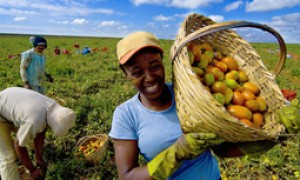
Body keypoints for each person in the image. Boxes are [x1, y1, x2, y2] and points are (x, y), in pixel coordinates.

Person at [108, 31, 300, 180]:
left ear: (163, 63)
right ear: (125, 74)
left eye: (155, 66)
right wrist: (175, 154)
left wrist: (269, 139)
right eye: (136, 71)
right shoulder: (126, 115)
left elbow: (220, 149)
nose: (149, 77)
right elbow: (127, 176)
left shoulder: (190, 95)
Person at [0, 87, 76, 180]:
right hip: (2, 113)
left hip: (11, 105)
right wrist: (32, 170)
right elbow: (18, 145)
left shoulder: (52, 107)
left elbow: (41, 131)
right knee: (9, 157)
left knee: (29, 135)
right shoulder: (34, 120)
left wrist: (39, 158)